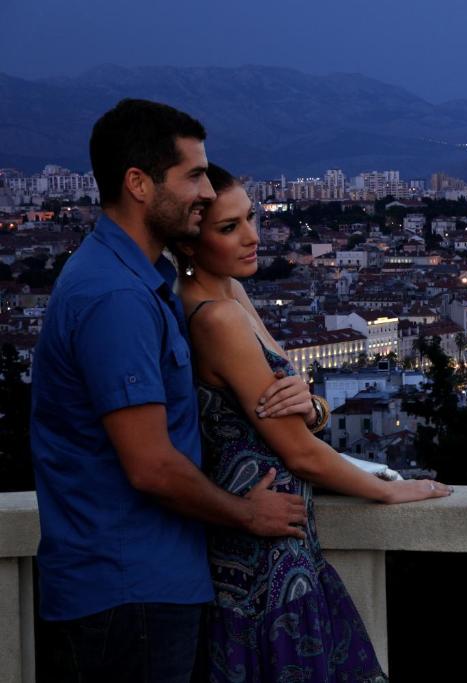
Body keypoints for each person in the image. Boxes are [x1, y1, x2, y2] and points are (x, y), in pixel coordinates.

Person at [30, 99, 311, 683]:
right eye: (193, 175)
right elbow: (152, 465)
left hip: (137, 588)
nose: (207, 192)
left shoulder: (140, 279)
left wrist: (308, 397)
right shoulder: (117, 298)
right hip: (126, 593)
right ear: (138, 183)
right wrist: (247, 515)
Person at [174, 163, 452, 682]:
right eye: (229, 227)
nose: (254, 237)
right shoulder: (217, 316)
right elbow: (299, 450)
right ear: (190, 242)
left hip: (266, 533)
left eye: (251, 218)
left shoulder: (227, 295)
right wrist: (388, 490)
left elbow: (300, 401)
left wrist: (315, 405)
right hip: (267, 546)